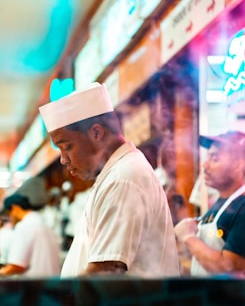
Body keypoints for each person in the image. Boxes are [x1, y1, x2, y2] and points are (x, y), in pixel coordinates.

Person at [38, 82, 179, 277]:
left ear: (96, 133)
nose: (63, 160)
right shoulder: (115, 174)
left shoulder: (123, 178)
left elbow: (104, 274)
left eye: (67, 146)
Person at [174, 131, 245, 306]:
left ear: (238, 164)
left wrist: (188, 237)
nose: (205, 165)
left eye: (215, 158)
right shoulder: (217, 206)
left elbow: (229, 268)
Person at [0, 177, 61, 277]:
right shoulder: (43, 223)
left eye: (10, 214)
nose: (11, 219)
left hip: (36, 288)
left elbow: (17, 265)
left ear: (15, 208)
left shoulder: (25, 226)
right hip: (52, 284)